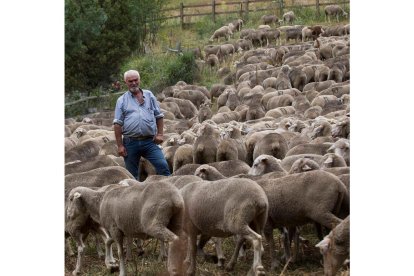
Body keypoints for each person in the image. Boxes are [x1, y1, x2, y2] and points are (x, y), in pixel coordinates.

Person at [113, 69, 170, 179]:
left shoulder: (149, 96)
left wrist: (160, 134)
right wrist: (120, 145)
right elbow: (117, 124)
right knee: (132, 175)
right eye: (130, 81)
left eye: (136, 80)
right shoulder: (121, 100)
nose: (133, 83)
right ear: (126, 82)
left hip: (149, 141)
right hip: (130, 143)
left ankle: (169, 193)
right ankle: (135, 195)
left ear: (139, 80)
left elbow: (159, 116)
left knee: (163, 166)